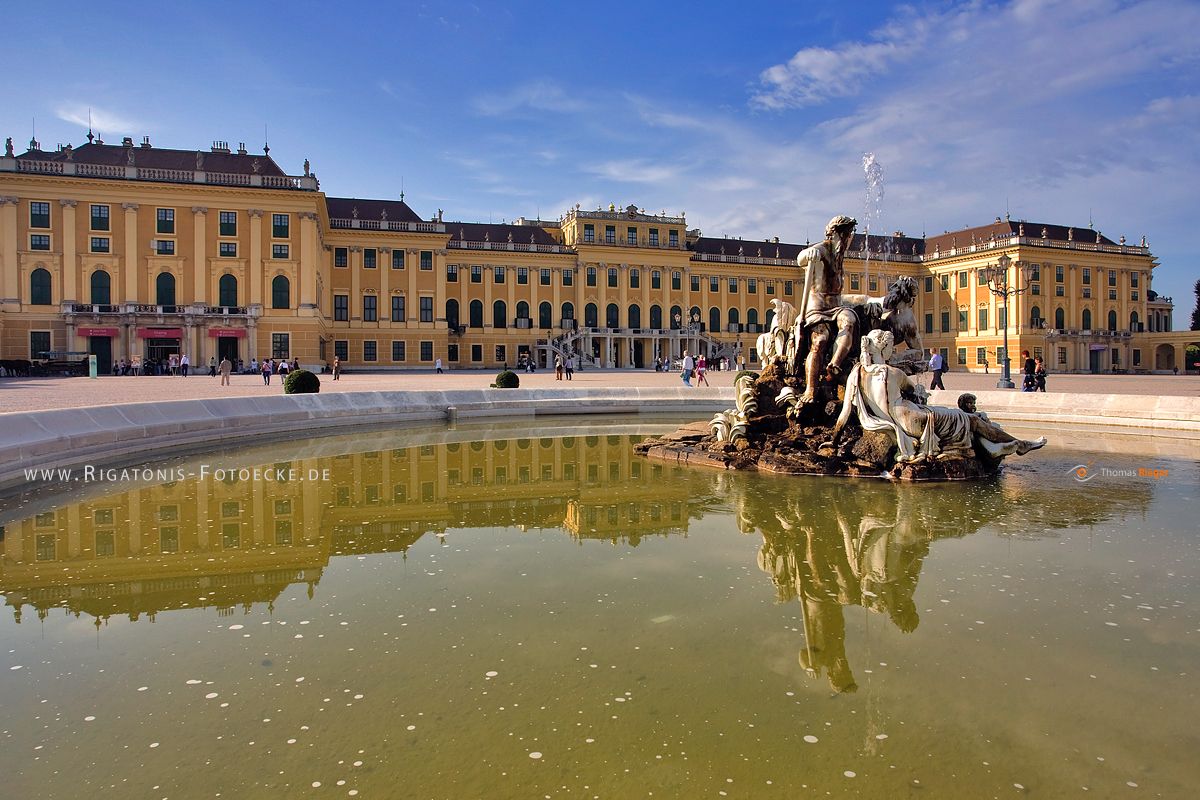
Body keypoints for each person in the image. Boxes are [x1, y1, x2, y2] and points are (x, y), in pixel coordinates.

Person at [792, 215, 859, 404]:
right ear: (835, 234)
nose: (849, 238)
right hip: (817, 309)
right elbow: (800, 258)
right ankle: (810, 389)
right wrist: (809, 254)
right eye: (846, 234)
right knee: (820, 341)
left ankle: (834, 365)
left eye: (850, 234)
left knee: (850, 320)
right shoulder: (823, 248)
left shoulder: (840, 254)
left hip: (836, 307)